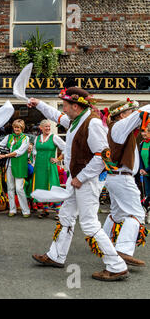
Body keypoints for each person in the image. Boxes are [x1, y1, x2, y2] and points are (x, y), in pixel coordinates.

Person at [28, 87, 128, 281]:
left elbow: (102, 156)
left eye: (65, 105)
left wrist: (80, 177)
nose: (63, 109)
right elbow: (56, 115)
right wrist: (38, 104)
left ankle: (117, 266)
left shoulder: (92, 123)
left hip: (86, 182)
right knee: (66, 215)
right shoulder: (76, 121)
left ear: (75, 105)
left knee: (89, 223)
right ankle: (56, 255)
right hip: (77, 180)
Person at [102, 99, 149, 267]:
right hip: (122, 178)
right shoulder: (120, 126)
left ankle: (103, 242)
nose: (131, 116)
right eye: (128, 113)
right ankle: (123, 250)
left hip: (116, 177)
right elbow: (139, 114)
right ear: (122, 115)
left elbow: (137, 115)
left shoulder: (117, 128)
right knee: (137, 214)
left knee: (117, 214)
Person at [0, 119, 31, 218]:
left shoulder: (25, 138)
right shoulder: (9, 137)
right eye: (15, 127)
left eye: (18, 127)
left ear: (22, 128)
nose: (16, 129)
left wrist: (5, 156)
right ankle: (12, 209)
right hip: (9, 165)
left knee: (19, 188)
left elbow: (19, 152)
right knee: (10, 188)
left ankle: (25, 210)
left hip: (19, 165)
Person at [31, 119, 65, 219]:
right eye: (46, 126)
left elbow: (66, 147)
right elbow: (34, 152)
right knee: (41, 186)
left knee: (53, 186)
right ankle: (44, 209)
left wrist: (58, 159)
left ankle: (59, 212)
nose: (48, 128)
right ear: (41, 128)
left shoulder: (54, 137)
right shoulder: (37, 138)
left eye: (49, 126)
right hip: (39, 167)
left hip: (50, 166)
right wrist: (33, 163)